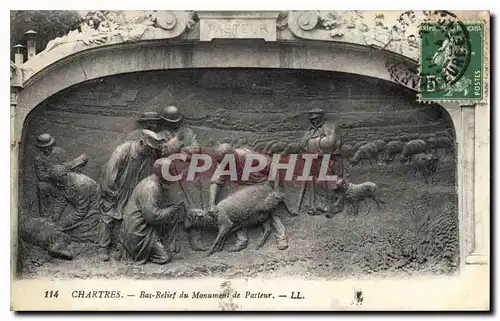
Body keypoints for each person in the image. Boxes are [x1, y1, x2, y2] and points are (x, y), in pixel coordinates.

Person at [96, 130, 165, 261]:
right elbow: (110, 170)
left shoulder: (148, 155)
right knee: (108, 216)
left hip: (133, 191)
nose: (151, 151)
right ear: (141, 143)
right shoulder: (124, 150)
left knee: (128, 218)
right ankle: (102, 247)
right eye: (149, 148)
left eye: (153, 149)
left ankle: (121, 246)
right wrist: (110, 191)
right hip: (116, 189)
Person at [207, 143, 289, 251]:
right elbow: (215, 182)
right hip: (244, 187)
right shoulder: (224, 162)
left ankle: (281, 236)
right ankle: (242, 240)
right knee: (230, 209)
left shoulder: (247, 156)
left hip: (262, 184)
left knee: (264, 208)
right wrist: (211, 203)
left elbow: (272, 164)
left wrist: (276, 188)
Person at [120, 159, 184, 265]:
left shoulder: (155, 183)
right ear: (163, 173)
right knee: (164, 258)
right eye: (171, 172)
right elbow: (152, 217)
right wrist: (172, 209)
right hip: (138, 232)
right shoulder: (151, 187)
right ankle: (143, 253)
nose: (173, 175)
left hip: (144, 228)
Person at [299, 106, 344, 218]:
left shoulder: (331, 127)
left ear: (322, 117)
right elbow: (302, 144)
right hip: (313, 161)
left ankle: (333, 207)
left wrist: (313, 143)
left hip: (328, 160)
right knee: (315, 183)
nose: (314, 121)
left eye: (316, 118)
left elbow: (330, 143)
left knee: (329, 183)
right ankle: (317, 206)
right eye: (312, 119)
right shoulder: (310, 131)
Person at [33, 133, 88, 217]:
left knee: (73, 181)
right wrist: (54, 172)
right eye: (44, 148)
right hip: (52, 184)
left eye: (49, 146)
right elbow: (41, 176)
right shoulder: (38, 158)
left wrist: (64, 169)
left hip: (63, 180)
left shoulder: (60, 152)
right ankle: (45, 215)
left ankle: (76, 208)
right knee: (41, 186)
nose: (47, 149)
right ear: (41, 148)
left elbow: (67, 165)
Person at [47, 165, 100, 242]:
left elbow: (81, 211)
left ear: (65, 175)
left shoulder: (82, 184)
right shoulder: (63, 182)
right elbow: (61, 200)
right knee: (67, 230)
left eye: (60, 181)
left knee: (77, 235)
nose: (58, 184)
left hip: (94, 210)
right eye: (56, 182)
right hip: (81, 210)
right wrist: (56, 214)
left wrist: (65, 223)